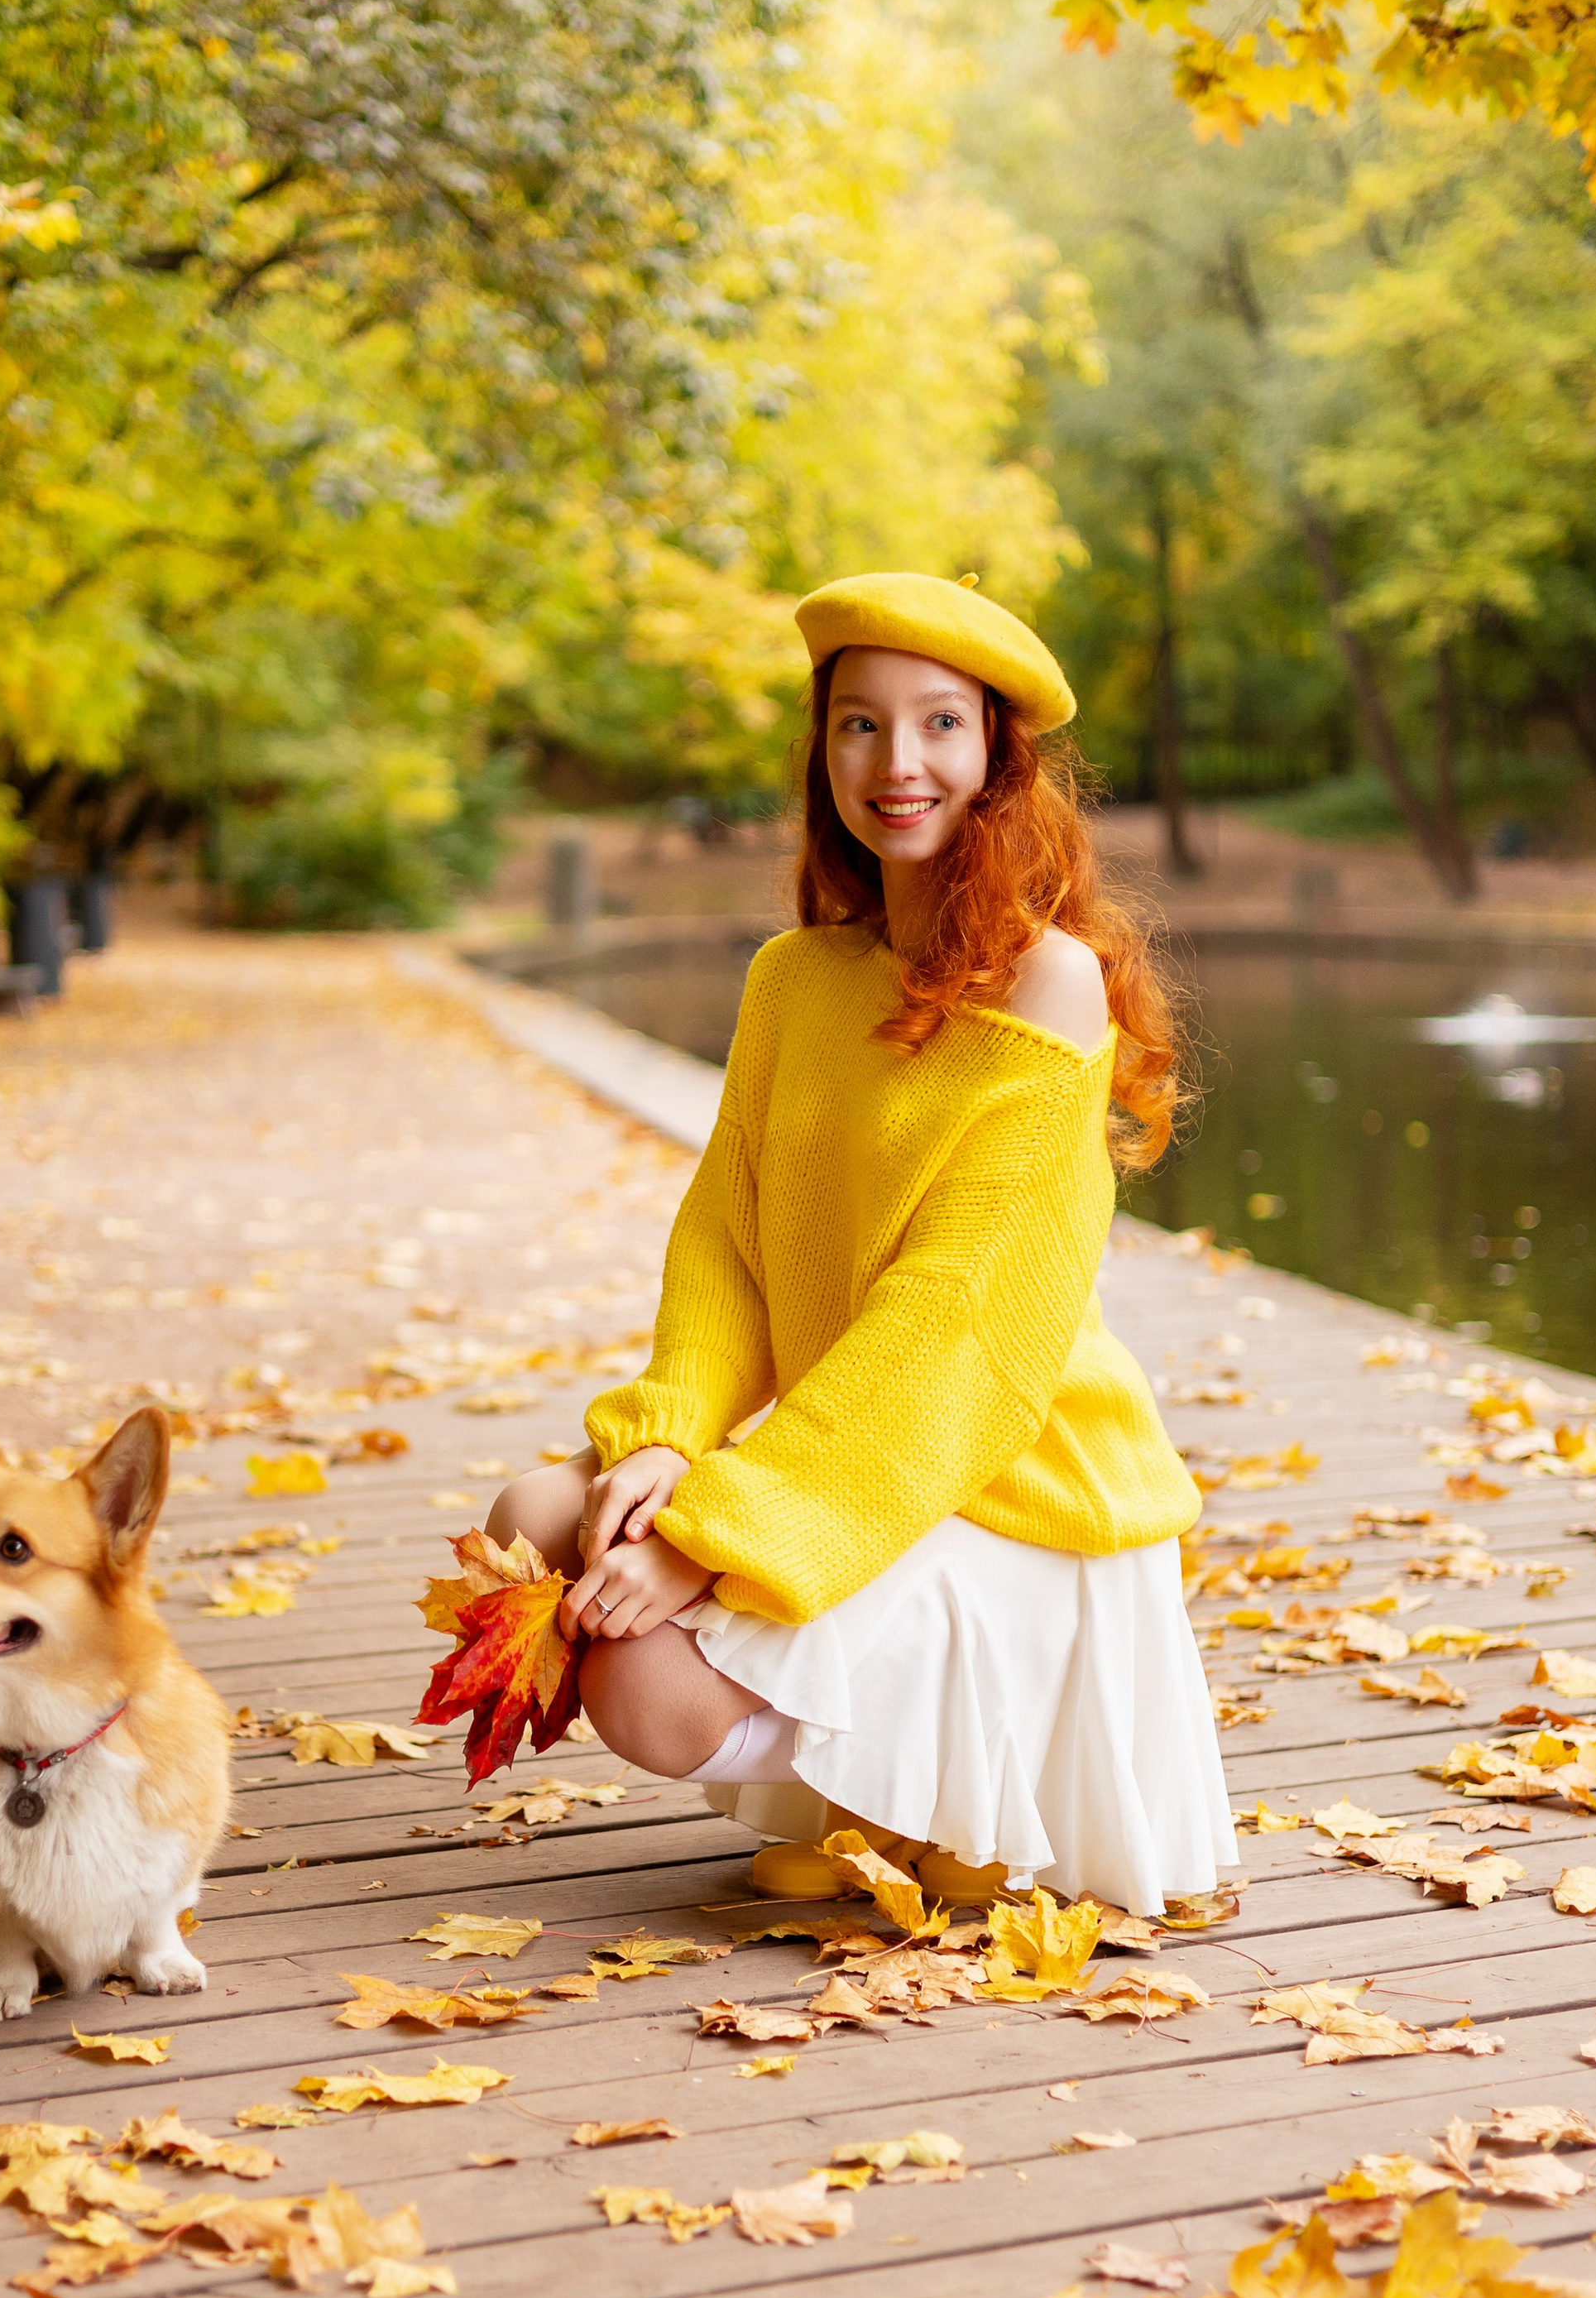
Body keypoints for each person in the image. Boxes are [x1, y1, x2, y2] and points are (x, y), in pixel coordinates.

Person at [485, 570, 1233, 1916]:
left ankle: (944, 1809)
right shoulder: (794, 981)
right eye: (859, 726)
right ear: (822, 749)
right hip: (852, 1457)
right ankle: (868, 1798)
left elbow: (953, 1330)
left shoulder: (1050, 986)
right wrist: (666, 1436)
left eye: (940, 724)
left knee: (642, 1688)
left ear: (1000, 759)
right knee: (537, 1517)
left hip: (1008, 1476)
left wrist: (713, 1534)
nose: (898, 764)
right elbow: (725, 1242)